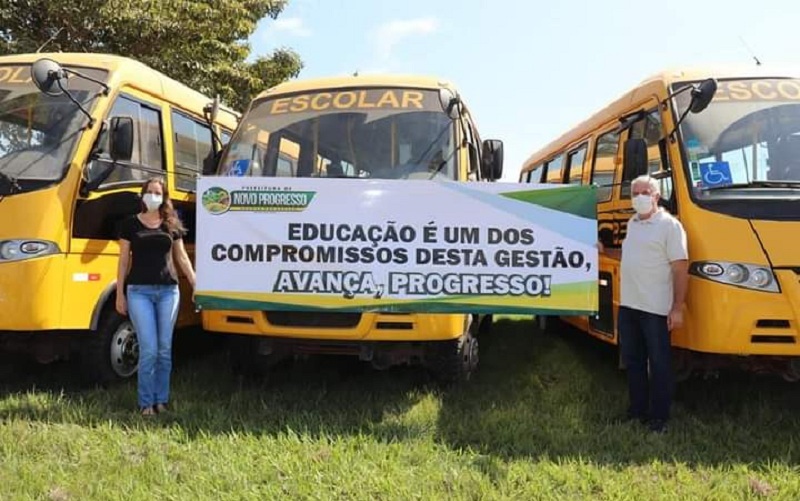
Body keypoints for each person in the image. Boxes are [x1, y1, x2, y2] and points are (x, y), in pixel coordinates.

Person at [598, 175, 688, 433]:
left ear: (656, 196)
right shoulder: (633, 223)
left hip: (655, 309)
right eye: (634, 193)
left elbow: (680, 268)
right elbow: (628, 255)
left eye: (644, 192)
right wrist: (605, 252)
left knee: (659, 364)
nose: (638, 197)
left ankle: (659, 418)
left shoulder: (670, 226)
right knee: (633, 361)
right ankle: (637, 410)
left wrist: (677, 307)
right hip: (629, 307)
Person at [115, 177, 196, 416]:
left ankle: (162, 400)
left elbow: (181, 257)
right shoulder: (130, 224)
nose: (153, 196)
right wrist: (120, 294)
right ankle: (146, 404)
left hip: (168, 292)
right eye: (149, 192)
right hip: (139, 292)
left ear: (164, 197)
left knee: (164, 350)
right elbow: (122, 262)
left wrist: (194, 283)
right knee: (149, 349)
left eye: (157, 192)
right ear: (142, 196)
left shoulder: (171, 224)